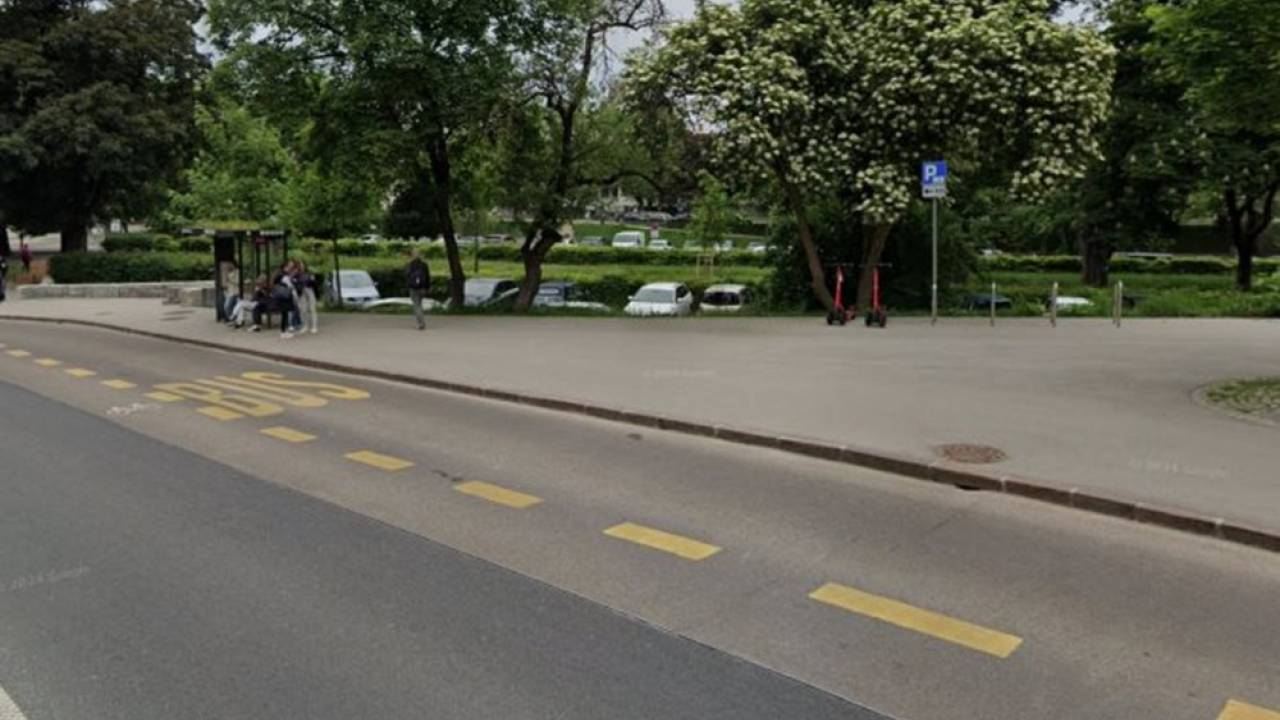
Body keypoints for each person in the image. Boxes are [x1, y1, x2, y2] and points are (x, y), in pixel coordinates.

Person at [406, 248, 431, 330]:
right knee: (419, 304)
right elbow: (428, 277)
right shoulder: (424, 265)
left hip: (413, 287)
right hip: (422, 288)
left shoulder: (410, 265)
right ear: (420, 255)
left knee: (416, 305)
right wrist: (427, 287)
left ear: (412, 256)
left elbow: (407, 276)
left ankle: (421, 323)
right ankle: (421, 321)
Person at [295, 260, 319, 334]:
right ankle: (305, 326)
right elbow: (295, 284)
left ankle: (314, 327)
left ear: (305, 266)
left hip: (309, 290)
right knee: (303, 310)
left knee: (312, 309)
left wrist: (312, 280)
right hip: (301, 292)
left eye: (302, 265)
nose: (301, 266)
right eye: (300, 265)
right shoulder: (297, 274)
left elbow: (315, 284)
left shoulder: (309, 273)